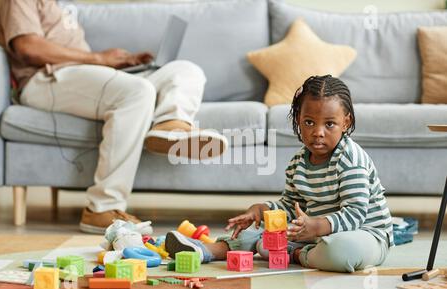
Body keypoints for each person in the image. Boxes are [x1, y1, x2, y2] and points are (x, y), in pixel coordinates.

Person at [0, 0, 228, 234]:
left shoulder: (58, 5)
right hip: (45, 80)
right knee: (138, 91)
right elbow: (28, 48)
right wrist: (100, 59)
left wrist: (118, 67)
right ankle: (101, 208)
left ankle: (171, 125)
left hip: (79, 75)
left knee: (185, 70)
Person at [165, 75, 394, 273]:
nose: (318, 132)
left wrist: (315, 227)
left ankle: (296, 255)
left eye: (330, 124)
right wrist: (261, 211)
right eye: (309, 122)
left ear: (346, 123)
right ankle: (207, 250)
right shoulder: (298, 163)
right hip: (312, 233)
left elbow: (355, 214)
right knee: (256, 231)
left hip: (365, 235)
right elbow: (288, 206)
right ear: (298, 121)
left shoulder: (350, 160)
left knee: (339, 251)